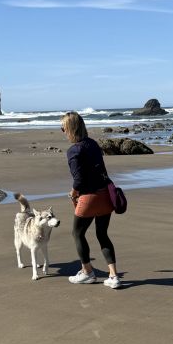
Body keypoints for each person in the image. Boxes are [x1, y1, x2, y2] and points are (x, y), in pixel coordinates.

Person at [61, 111, 122, 288]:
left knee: (77, 233)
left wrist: (73, 193)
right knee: (102, 234)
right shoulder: (93, 144)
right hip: (106, 196)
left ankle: (87, 272)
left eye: (63, 128)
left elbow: (79, 180)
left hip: (89, 198)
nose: (63, 132)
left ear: (70, 129)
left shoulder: (74, 150)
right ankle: (113, 276)